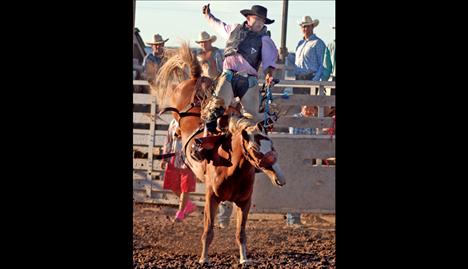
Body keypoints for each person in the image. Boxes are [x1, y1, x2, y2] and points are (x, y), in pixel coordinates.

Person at [200, 4, 278, 132]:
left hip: (248, 81)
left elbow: (269, 62)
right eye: (257, 19)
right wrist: (208, 16)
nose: (260, 23)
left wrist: (269, 75)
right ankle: (208, 138)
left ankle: (260, 130)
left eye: (262, 21)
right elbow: (219, 25)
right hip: (229, 75)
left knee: (252, 117)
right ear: (248, 18)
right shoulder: (234, 29)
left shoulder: (265, 40)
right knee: (215, 109)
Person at [161, 119, 198, 222]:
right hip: (174, 156)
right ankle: (189, 205)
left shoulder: (193, 120)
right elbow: (168, 140)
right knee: (172, 185)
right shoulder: (173, 122)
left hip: (188, 159)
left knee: (185, 187)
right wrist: (165, 157)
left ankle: (180, 213)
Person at [294, 16, 326, 88]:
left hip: (310, 78)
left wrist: (315, 80)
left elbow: (322, 64)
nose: (305, 28)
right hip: (298, 79)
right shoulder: (300, 43)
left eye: (307, 26)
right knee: (296, 99)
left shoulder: (318, 43)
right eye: (303, 26)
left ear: (312, 27)